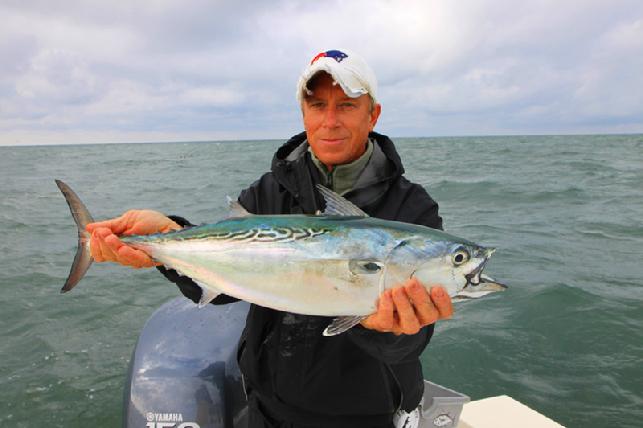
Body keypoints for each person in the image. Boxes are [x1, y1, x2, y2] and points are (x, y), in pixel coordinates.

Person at [87, 49, 453, 428]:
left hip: (368, 413)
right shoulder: (268, 191)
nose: (330, 121)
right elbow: (222, 286)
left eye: (346, 105)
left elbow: (413, 340)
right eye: (317, 105)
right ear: (303, 112)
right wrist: (168, 241)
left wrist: (390, 331)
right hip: (269, 406)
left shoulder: (412, 208)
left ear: (372, 114)